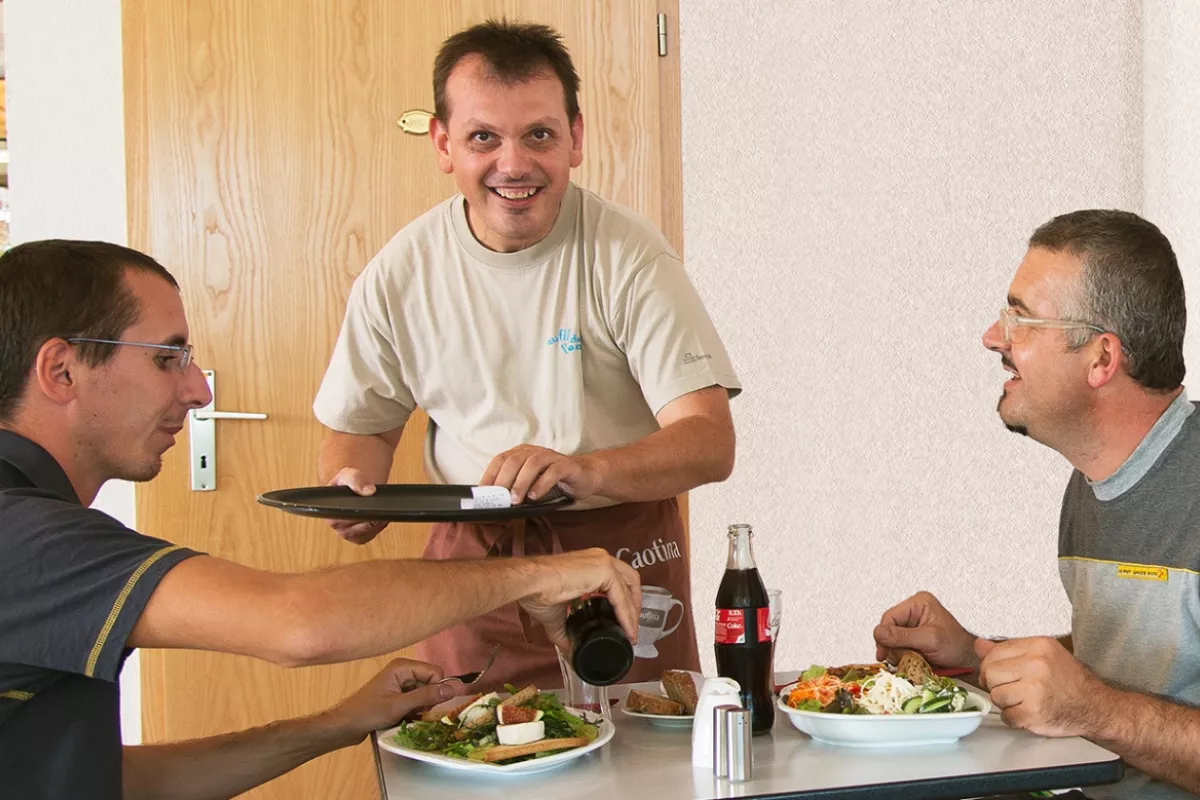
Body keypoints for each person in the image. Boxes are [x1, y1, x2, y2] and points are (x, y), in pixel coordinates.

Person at [0, 239, 642, 799]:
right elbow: (300, 624)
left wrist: (336, 724)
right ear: (61, 370)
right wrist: (539, 576)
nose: (199, 390)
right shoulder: (23, 536)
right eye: (167, 358)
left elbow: (110, 781)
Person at [314, 19, 740, 690]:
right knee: (468, 742)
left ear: (576, 139)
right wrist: (351, 489)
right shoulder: (398, 274)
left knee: (643, 748)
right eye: (484, 137)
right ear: (443, 144)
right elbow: (360, 430)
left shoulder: (629, 256)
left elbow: (709, 443)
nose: (513, 164)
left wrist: (586, 470)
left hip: (619, 552)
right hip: (473, 565)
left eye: (538, 135)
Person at [873, 210, 1200, 799]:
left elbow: (1100, 703)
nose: (993, 337)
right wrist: (974, 654)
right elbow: (1137, 672)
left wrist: (1095, 710)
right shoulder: (1093, 482)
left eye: (1020, 319)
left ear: (1101, 359)